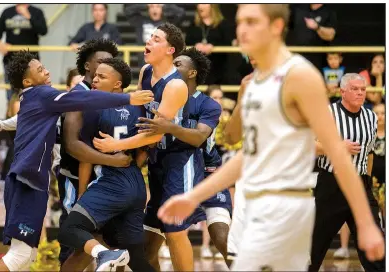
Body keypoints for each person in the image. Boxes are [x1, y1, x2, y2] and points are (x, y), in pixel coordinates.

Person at [157, 4, 385, 271]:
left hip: (284, 210)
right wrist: (194, 197)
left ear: (276, 27)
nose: (242, 29)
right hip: (255, 206)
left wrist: (367, 224)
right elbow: (249, 153)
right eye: (240, 21)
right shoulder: (255, 82)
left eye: (252, 21)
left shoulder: (300, 75)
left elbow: (338, 153)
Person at [0, 50, 153, 272]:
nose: (46, 71)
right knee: (22, 255)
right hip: (28, 179)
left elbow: (22, 119)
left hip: (29, 180)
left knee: (27, 256)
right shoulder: (44, 94)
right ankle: (102, 254)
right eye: (40, 70)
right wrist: (129, 97)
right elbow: (83, 99)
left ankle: (104, 254)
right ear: (28, 81)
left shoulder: (31, 97)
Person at [92, 23, 204, 272]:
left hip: (179, 161)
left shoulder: (176, 85)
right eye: (149, 37)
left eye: (156, 38)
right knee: (151, 236)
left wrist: (117, 144)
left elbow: (153, 133)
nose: (149, 42)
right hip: (156, 160)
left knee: (176, 233)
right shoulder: (145, 71)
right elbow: (135, 112)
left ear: (170, 49)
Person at [136, 47, 232, 265]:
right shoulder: (163, 96)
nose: (173, 66)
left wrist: (168, 127)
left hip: (208, 175)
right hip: (168, 171)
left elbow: (198, 138)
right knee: (148, 249)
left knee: (221, 237)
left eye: (179, 64)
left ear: (193, 73)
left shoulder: (207, 104)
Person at [58, 58, 155, 272]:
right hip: (136, 184)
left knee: (69, 228)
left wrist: (82, 193)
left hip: (110, 182)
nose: (94, 80)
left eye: (102, 76)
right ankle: (110, 254)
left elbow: (86, 156)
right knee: (136, 259)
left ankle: (104, 254)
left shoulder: (95, 107)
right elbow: (142, 152)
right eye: (95, 75)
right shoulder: (139, 108)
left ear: (117, 84)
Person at [58, 38, 132, 267]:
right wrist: (114, 159)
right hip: (75, 177)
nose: (105, 66)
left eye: (110, 62)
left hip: (104, 182)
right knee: (76, 240)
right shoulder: (80, 94)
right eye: (101, 62)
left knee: (111, 243)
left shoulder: (107, 97)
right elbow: (73, 146)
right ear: (88, 67)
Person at [311, 73, 385, 271]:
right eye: (355, 89)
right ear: (342, 91)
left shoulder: (370, 117)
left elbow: (369, 154)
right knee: (313, 246)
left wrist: (367, 180)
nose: (360, 93)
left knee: (376, 244)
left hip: (360, 183)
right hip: (332, 184)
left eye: (363, 90)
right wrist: (336, 146)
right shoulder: (327, 113)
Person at [0, 4, 47, 101]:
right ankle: (13, 115)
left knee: (33, 93)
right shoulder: (7, 12)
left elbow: (43, 30)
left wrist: (28, 16)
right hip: (10, 60)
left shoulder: (36, 11)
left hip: (31, 61)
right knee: (12, 95)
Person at [185, 4, 236, 85]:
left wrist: (213, 46)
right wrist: (195, 46)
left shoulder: (223, 24)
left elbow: (228, 43)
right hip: (199, 72)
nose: (200, 6)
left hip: (219, 71)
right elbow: (186, 44)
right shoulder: (193, 25)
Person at [287, 4, 337, 70]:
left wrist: (317, 27)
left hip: (317, 60)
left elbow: (330, 36)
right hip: (297, 58)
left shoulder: (329, 12)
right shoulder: (298, 9)